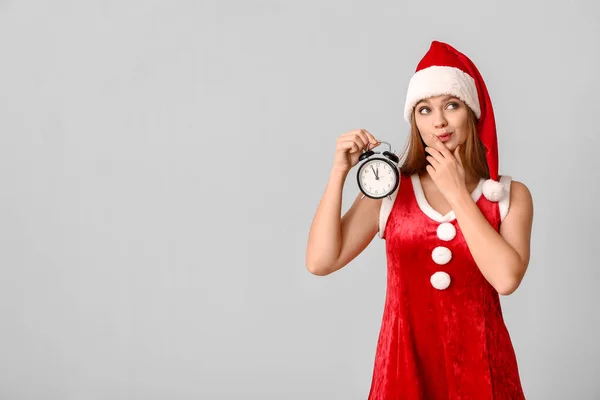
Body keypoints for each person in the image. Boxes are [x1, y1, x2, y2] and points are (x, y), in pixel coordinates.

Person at [305, 40, 534, 399]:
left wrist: (458, 193)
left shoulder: (508, 196)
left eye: (452, 105)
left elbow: (506, 279)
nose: (439, 121)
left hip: (483, 368)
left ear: (471, 112)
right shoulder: (390, 189)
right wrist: (338, 173)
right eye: (424, 110)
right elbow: (320, 261)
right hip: (404, 368)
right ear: (414, 119)